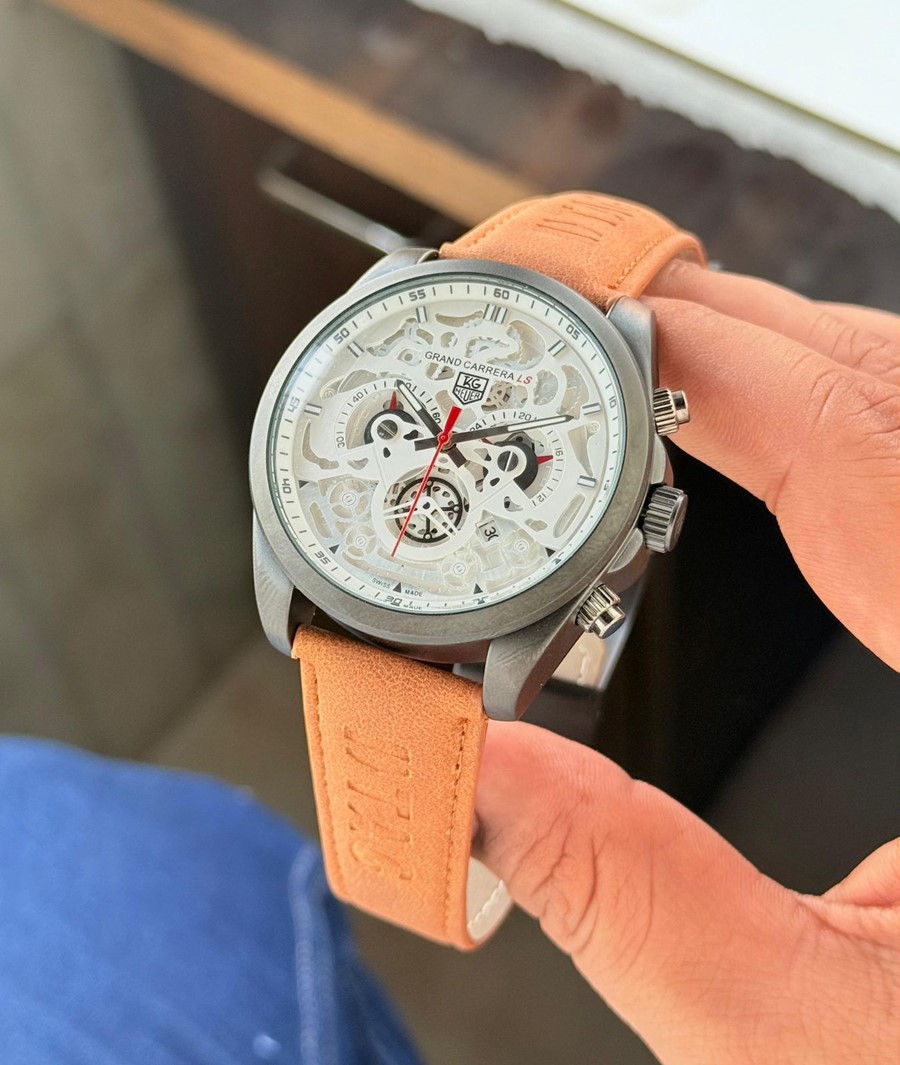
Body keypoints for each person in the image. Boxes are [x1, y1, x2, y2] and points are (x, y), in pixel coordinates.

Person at [0, 262, 896, 1064]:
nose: (444, 449)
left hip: (483, 603)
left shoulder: (585, 487)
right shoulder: (397, 299)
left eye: (498, 454)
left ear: (647, 510)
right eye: (415, 428)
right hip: (338, 567)